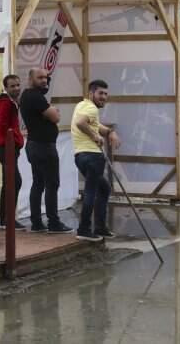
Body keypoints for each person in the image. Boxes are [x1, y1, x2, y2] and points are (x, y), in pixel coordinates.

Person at [19, 68, 73, 233]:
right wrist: (53, 110)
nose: (44, 80)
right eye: (40, 77)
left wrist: (51, 110)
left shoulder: (30, 96)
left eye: (46, 77)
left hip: (36, 145)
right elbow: (55, 117)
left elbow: (51, 115)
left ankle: (37, 223)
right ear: (30, 79)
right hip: (43, 147)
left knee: (38, 183)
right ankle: (53, 223)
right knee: (51, 184)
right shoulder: (35, 96)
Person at [71, 79, 120, 241]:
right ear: (91, 93)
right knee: (91, 192)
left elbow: (96, 125)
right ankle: (84, 229)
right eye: (100, 93)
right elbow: (80, 123)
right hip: (92, 156)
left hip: (81, 156)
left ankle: (100, 227)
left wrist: (109, 132)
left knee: (103, 188)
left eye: (106, 94)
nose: (104, 97)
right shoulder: (91, 108)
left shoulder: (82, 105)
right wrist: (94, 136)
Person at [0, 75, 25, 230]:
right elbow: (0, 125)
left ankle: (5, 220)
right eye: (12, 86)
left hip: (7, 147)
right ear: (6, 88)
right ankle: (7, 219)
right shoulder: (6, 104)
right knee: (14, 182)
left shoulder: (8, 102)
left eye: (18, 85)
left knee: (9, 183)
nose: (16, 88)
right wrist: (11, 139)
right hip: (7, 148)